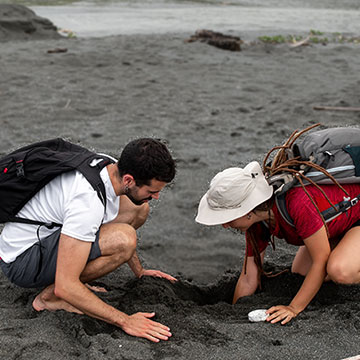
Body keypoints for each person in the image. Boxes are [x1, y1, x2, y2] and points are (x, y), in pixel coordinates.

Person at [0, 138, 176, 342]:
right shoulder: (87, 201)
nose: (156, 197)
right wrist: (126, 321)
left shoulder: (109, 165)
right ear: (128, 180)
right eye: (152, 191)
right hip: (22, 261)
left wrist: (140, 271)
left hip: (47, 238)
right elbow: (65, 285)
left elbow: (128, 212)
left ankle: (72, 278)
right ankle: (49, 298)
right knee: (124, 240)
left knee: (138, 207)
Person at [196, 161, 360, 325]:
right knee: (301, 272)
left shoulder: (298, 202)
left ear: (246, 210)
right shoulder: (258, 223)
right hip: (342, 223)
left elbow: (321, 259)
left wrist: (294, 308)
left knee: (339, 271)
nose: (224, 225)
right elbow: (248, 277)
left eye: (227, 217)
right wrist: (232, 314)